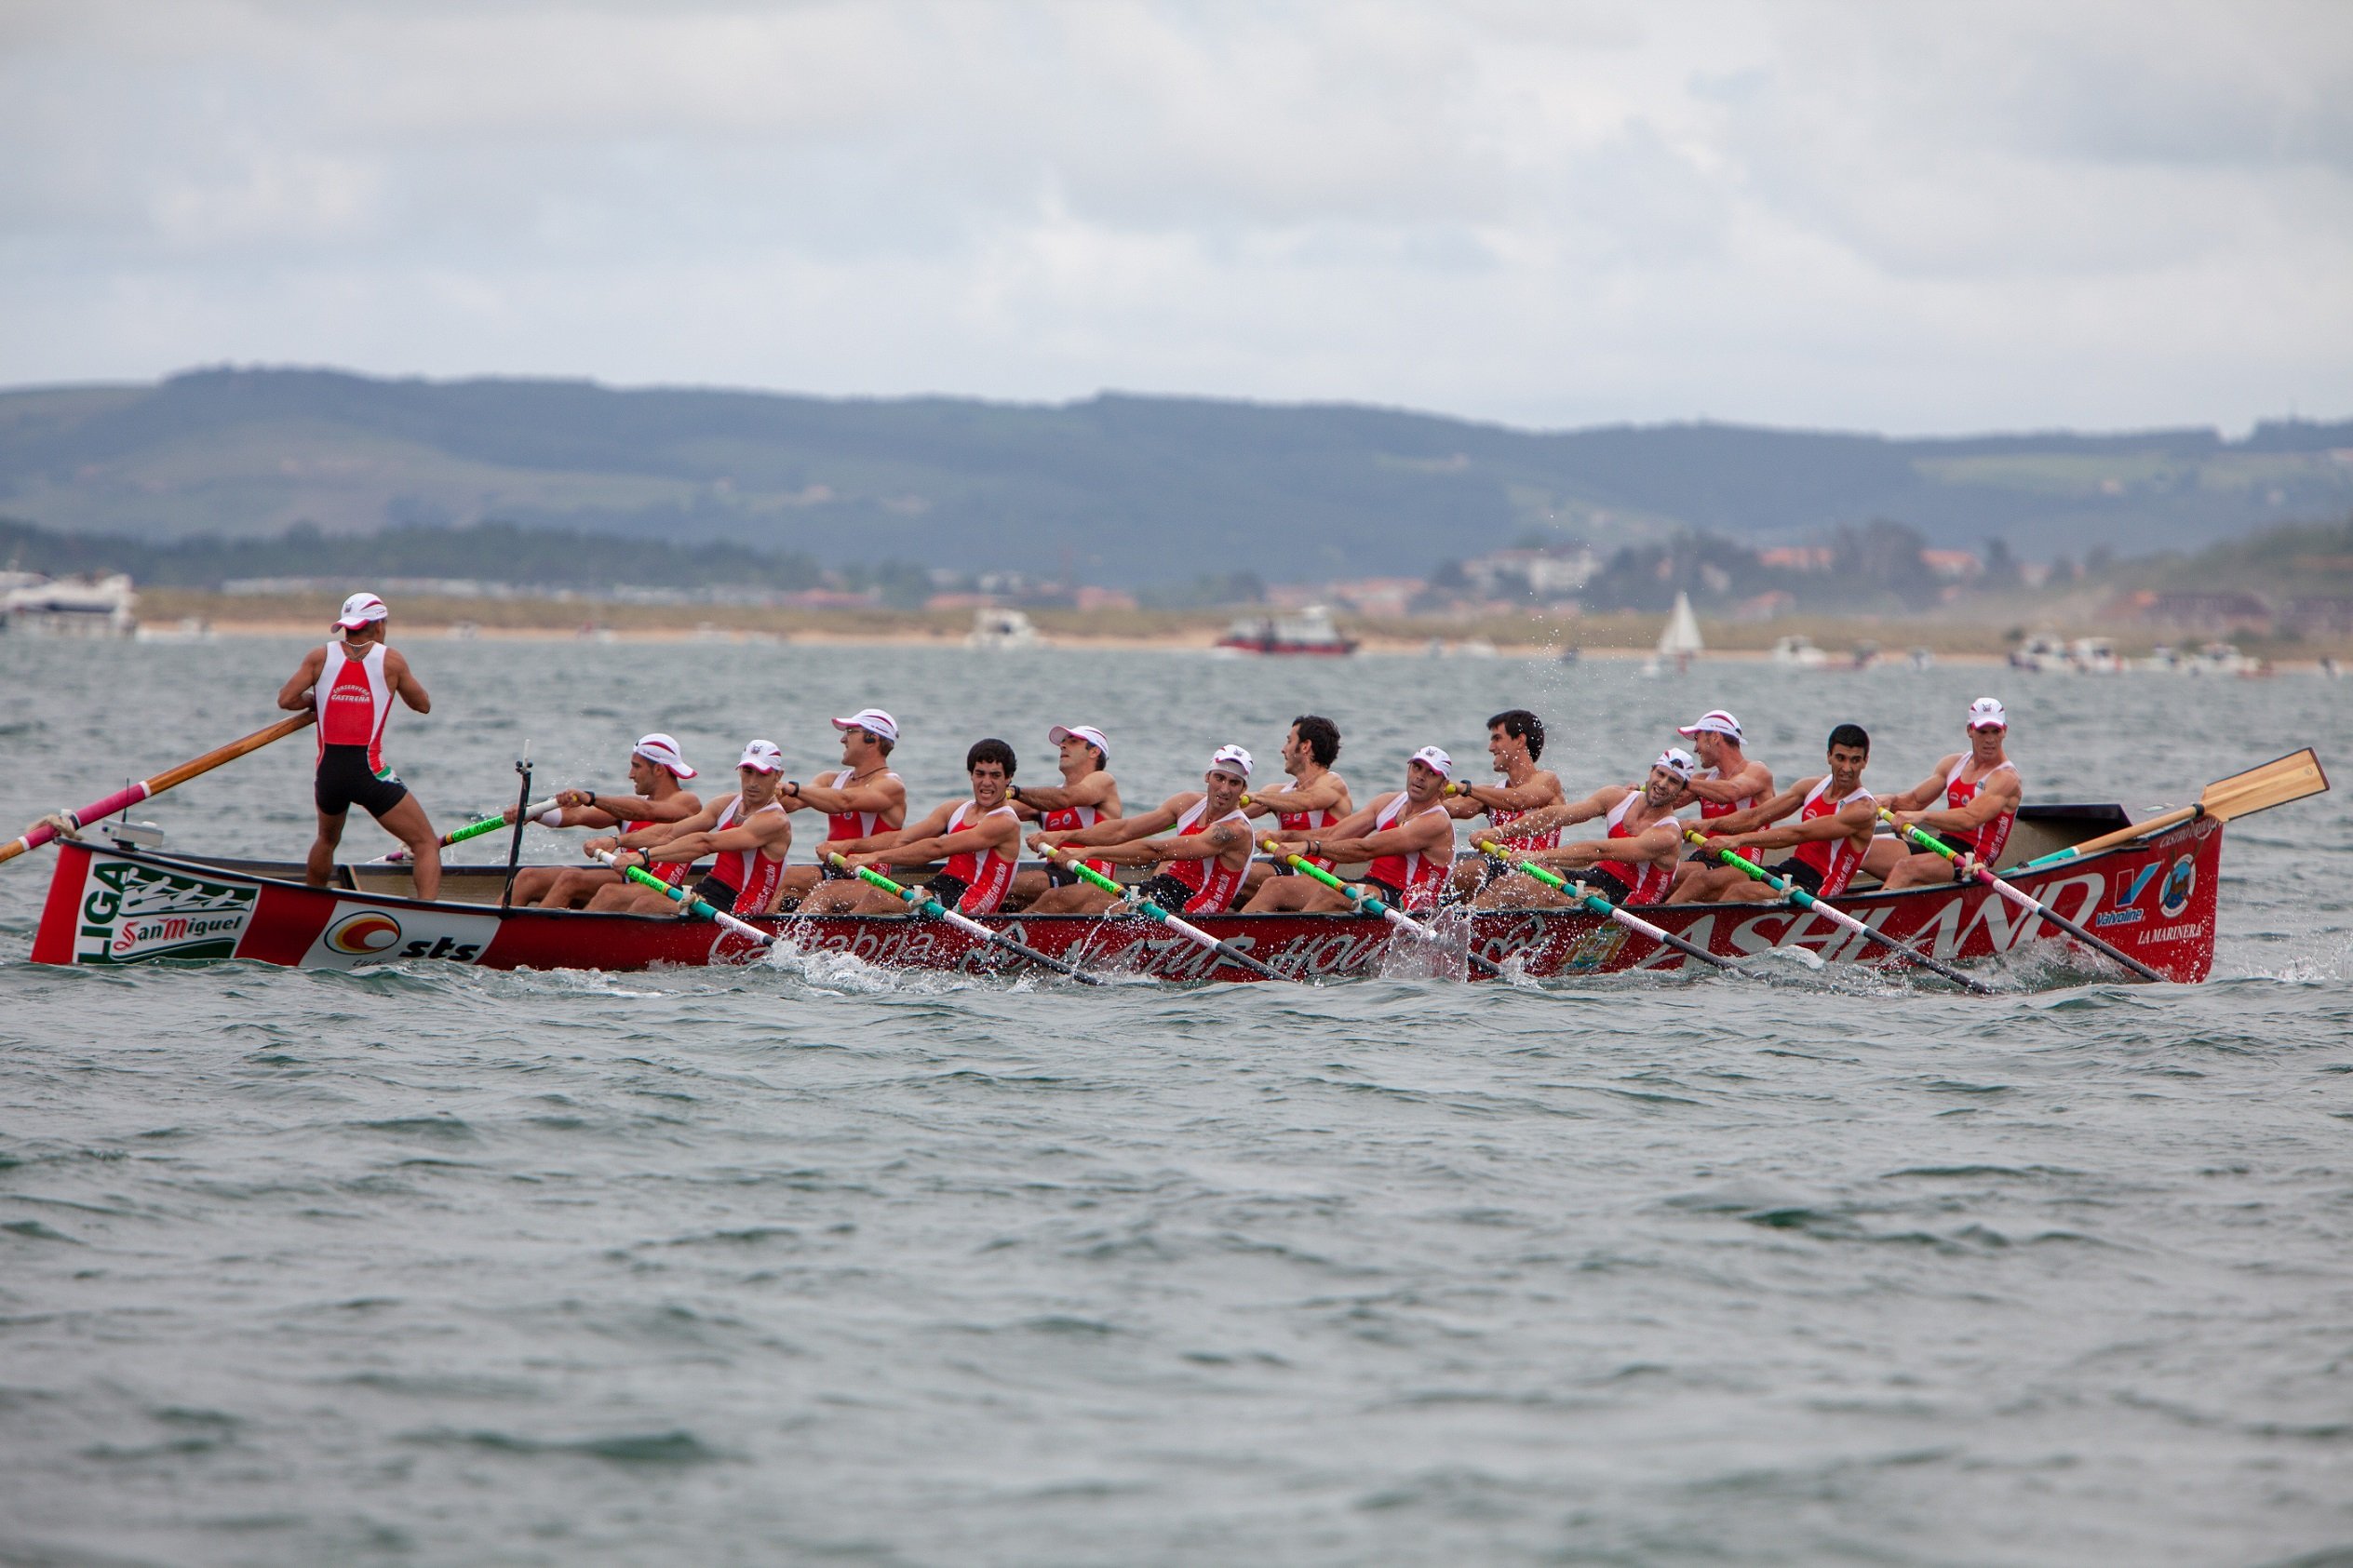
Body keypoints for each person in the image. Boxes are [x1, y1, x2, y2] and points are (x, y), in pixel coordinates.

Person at [275, 592, 442, 899]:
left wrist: (316, 702)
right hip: (369, 773)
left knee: (326, 841)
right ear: (378, 626)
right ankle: (428, 913)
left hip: (329, 773)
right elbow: (423, 705)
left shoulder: (319, 657)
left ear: (347, 626)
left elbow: (286, 700)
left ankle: (310, 905)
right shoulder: (391, 660)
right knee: (425, 844)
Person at [1029, 745, 1257, 917]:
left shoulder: (1234, 830)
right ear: (1208, 777)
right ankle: (1010, 937)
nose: (1224, 789)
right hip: (1163, 887)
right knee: (1059, 897)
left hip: (1196, 907)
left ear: (1243, 789)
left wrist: (1087, 852)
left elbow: (1156, 851)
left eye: (1234, 783)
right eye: (1219, 778)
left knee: (1094, 908)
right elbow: (1124, 829)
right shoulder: (1186, 803)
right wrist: (1064, 836)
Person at [1671, 724, 1876, 904]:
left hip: (1821, 888)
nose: (1847, 768)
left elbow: (1797, 834)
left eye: (1855, 760)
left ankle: (1712, 940)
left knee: (1739, 892)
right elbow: (1756, 816)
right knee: (1704, 880)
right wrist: (1708, 824)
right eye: (1841, 758)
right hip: (1792, 869)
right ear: (1829, 756)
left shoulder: (1862, 809)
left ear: (1865, 761)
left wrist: (1736, 841)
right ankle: (1661, 920)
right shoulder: (1811, 786)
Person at [1470, 748, 1698, 907]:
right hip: (1597, 879)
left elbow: (1599, 851)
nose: (1662, 784)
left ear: (1683, 790)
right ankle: (1463, 925)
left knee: (1538, 891)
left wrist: (1536, 856)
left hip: (1630, 903)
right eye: (1660, 774)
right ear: (1651, 771)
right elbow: (1556, 816)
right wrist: (1499, 832)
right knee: (1513, 882)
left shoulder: (1667, 835)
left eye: (1673, 781)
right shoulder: (1617, 797)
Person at [589, 741, 794, 917]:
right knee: (620, 894)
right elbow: (669, 833)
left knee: (646, 905)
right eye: (748, 772)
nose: (752, 783)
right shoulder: (725, 803)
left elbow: (706, 843)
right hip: (708, 890)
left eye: (762, 775)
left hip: (741, 908)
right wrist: (616, 841)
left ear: (778, 776)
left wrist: (643, 857)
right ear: (739, 770)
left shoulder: (774, 821)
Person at [1247, 746, 1459, 914]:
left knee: (1330, 894)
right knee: (1275, 886)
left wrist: (1309, 847)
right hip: (1373, 887)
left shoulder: (1435, 821)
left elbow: (1365, 849)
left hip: (1407, 902)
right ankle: (1233, 942)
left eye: (1431, 773)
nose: (1420, 776)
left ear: (1443, 785)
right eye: (1417, 768)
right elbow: (1333, 834)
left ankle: (1291, 956)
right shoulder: (1388, 802)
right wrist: (1283, 836)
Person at [504, 734, 704, 908]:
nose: (630, 774)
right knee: (528, 877)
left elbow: (647, 811)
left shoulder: (688, 803)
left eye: (636, 767)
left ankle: (540, 939)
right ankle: (498, 931)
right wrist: (532, 812)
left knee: (582, 883)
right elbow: (575, 815)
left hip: (660, 886)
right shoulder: (629, 807)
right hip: (628, 877)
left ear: (659, 769)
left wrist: (591, 798)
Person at [834, 739, 1027, 916]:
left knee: (878, 899)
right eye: (980, 774)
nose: (986, 782)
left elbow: (937, 848)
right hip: (941, 887)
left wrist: (875, 857)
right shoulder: (954, 809)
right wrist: (845, 846)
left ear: (1008, 778)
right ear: (971, 775)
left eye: (995, 775)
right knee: (841, 891)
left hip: (969, 905)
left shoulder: (1004, 822)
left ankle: (843, 947)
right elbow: (902, 839)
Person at [1871, 697, 2024, 891]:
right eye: (1982, 732)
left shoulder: (2006, 778)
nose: (1990, 739)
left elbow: (1970, 818)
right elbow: (1914, 801)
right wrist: (1891, 800)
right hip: (1941, 846)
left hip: (1971, 861)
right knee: (1861, 849)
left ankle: (1882, 916)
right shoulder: (1953, 764)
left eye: (1996, 731)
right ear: (1970, 731)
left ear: (2005, 731)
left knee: (1905, 868)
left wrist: (1924, 816)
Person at [774, 708, 908, 905]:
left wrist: (793, 788)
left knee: (825, 893)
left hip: (871, 878)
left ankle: (796, 935)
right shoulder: (830, 779)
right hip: (834, 871)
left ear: (872, 739)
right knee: (780, 879)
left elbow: (843, 801)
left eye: (850, 732)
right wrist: (770, 790)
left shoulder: (890, 785)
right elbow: (791, 803)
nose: (843, 739)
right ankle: (746, 929)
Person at [1443, 708, 1564, 899]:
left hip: (1536, 876)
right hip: (1499, 873)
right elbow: (1448, 809)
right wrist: (1431, 790)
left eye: (1497, 738)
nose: (1491, 747)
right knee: (1446, 872)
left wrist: (1466, 788)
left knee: (1466, 872)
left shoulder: (1547, 781)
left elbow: (1519, 799)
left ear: (1520, 740)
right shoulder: (1493, 792)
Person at [1003, 723, 1123, 910]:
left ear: (1094, 752)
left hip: (1092, 878)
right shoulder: (1045, 799)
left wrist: (1014, 791)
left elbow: (1066, 798)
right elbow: (995, 811)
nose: (1062, 746)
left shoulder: (1103, 781)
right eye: (1063, 742)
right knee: (999, 893)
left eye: (1073, 741)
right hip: (1057, 875)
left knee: (1009, 884)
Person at [1238, 715, 1354, 901]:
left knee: (1227, 871)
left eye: (1289, 741)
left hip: (1311, 873)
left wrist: (1258, 796)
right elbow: (1233, 813)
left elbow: (1308, 801)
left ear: (1305, 746)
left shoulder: (1333, 783)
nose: (1283, 750)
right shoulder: (1278, 792)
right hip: (1282, 864)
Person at [1665, 709, 1773, 899]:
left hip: (1741, 862)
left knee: (1695, 880)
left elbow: (1732, 792)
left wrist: (1685, 782)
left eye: (1697, 738)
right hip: (1706, 857)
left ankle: (1655, 923)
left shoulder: (1756, 771)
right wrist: (1635, 793)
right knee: (1660, 874)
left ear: (1715, 737)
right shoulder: (1704, 780)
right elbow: (1660, 802)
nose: (1695, 748)